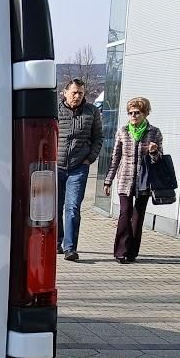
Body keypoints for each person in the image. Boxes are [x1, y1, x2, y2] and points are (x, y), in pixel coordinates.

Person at [103, 96, 163, 263]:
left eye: (137, 113)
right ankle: (120, 251)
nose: (133, 116)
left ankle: (132, 252)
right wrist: (108, 181)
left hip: (144, 180)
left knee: (138, 217)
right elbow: (115, 158)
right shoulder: (123, 131)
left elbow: (159, 159)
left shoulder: (154, 132)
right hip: (125, 179)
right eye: (130, 113)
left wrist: (153, 152)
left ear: (145, 113)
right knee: (125, 213)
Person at [55, 78, 103, 262]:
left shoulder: (92, 111)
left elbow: (98, 138)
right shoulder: (56, 111)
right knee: (56, 207)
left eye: (81, 93)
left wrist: (89, 159)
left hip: (78, 167)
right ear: (65, 92)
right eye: (74, 92)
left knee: (73, 207)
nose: (77, 96)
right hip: (57, 166)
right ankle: (57, 242)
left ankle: (70, 248)